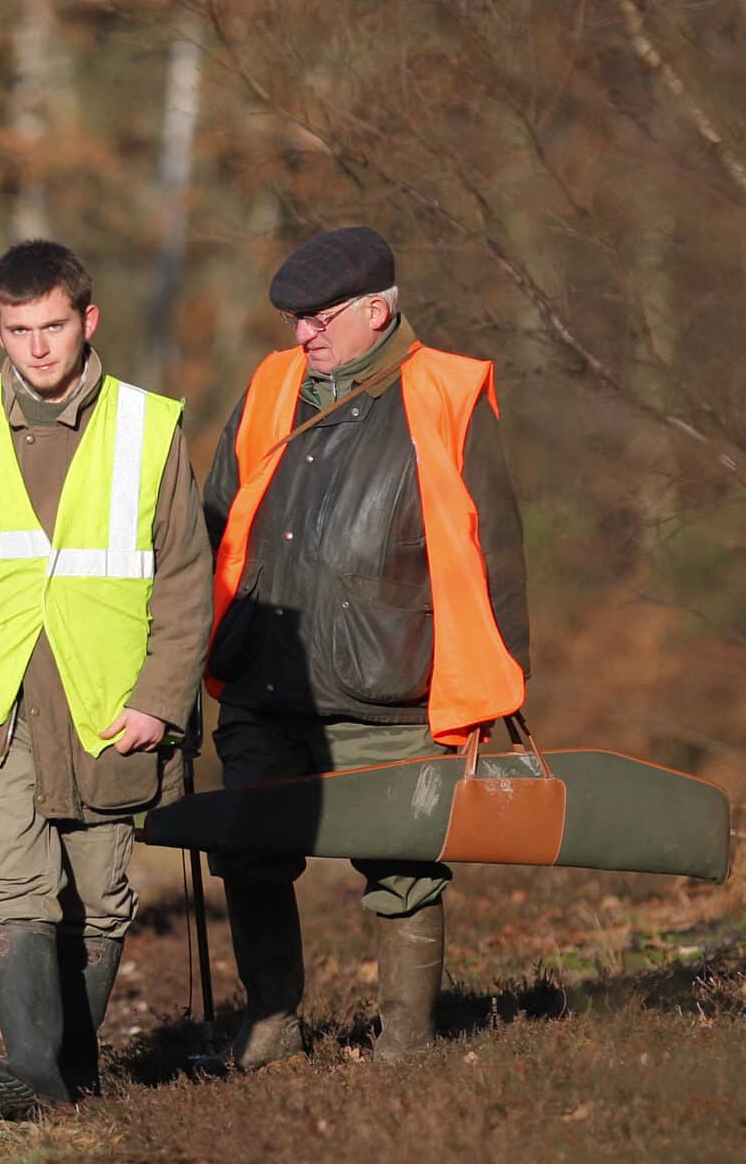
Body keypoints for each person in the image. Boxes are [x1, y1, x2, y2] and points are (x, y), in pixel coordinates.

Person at [0, 242, 211, 1116]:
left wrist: (160, 699)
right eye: (19, 330)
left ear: (87, 321)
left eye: (53, 326)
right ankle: (31, 1070)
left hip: (109, 704)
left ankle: (68, 1076)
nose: (38, 347)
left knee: (100, 898)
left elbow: (185, 577)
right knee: (10, 885)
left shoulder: (148, 426)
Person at [202, 227, 529, 1067]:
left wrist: (499, 684)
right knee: (248, 852)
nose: (301, 334)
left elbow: (495, 553)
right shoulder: (272, 384)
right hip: (264, 679)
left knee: (405, 868)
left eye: (319, 318)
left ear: (377, 312)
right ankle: (271, 1027)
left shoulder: (447, 392)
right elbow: (215, 518)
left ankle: (407, 1044)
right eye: (293, 319)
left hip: (394, 686)